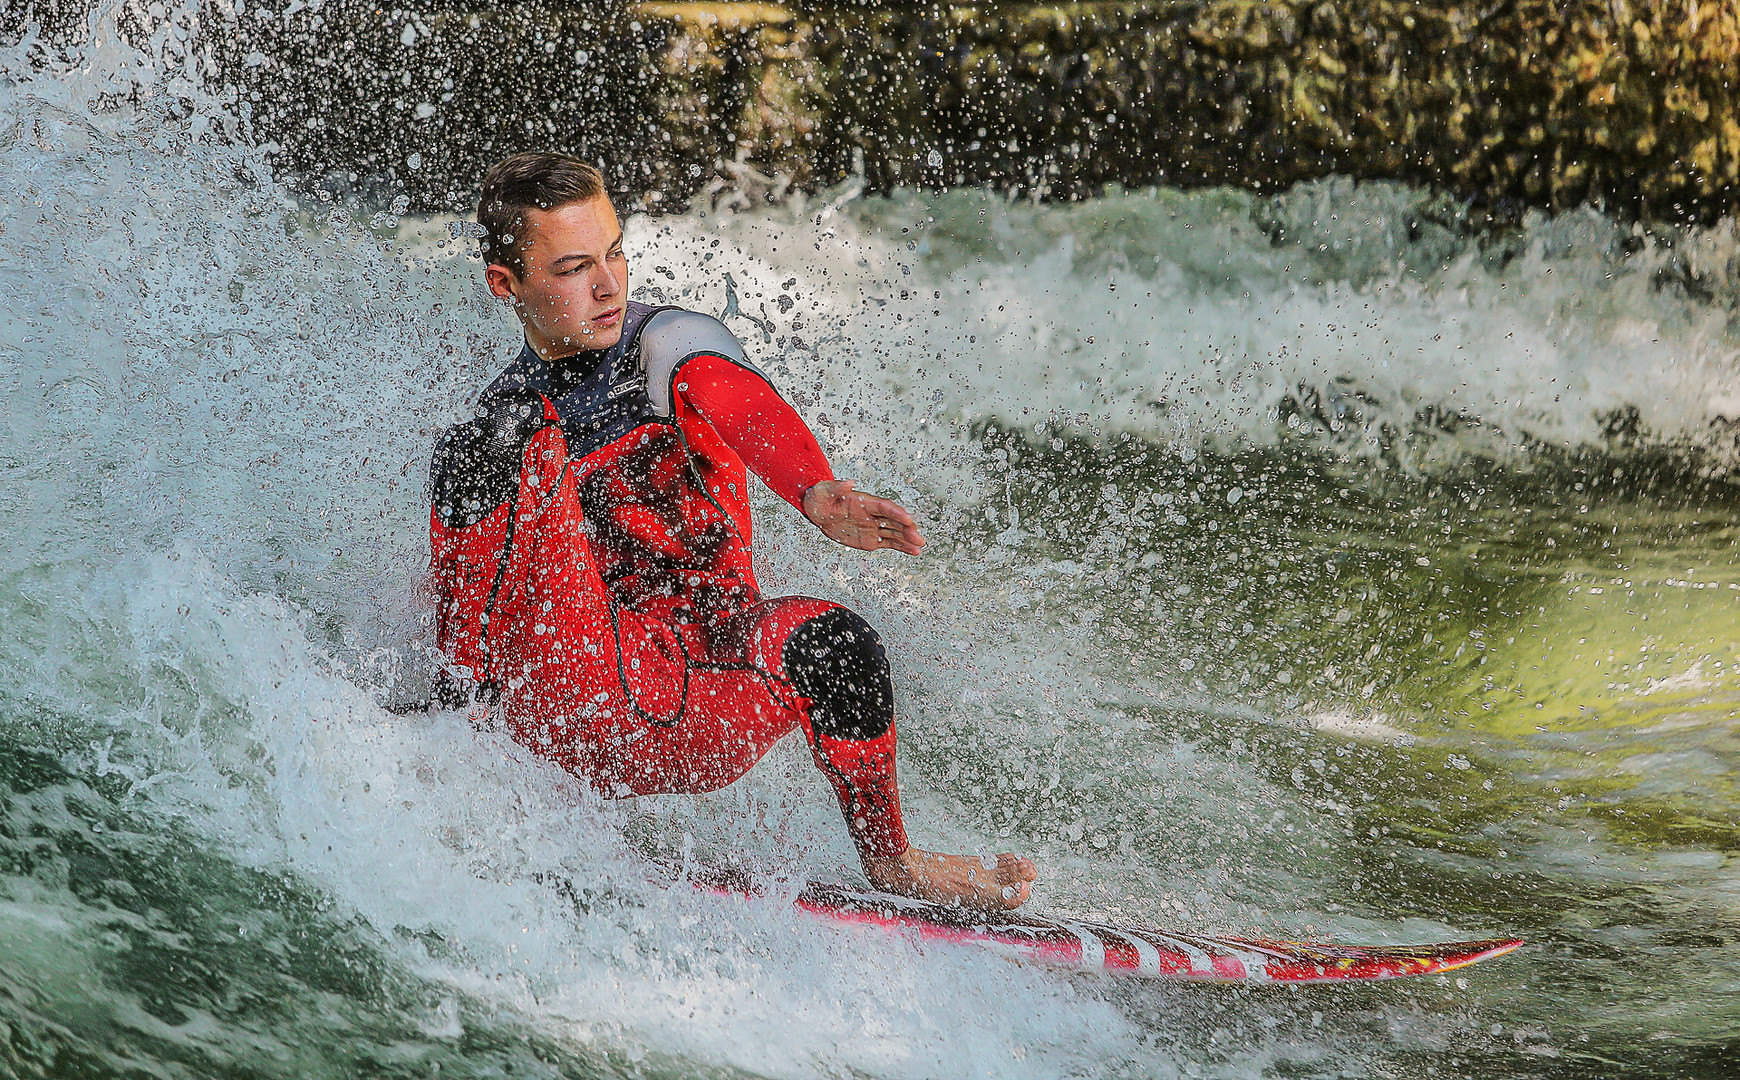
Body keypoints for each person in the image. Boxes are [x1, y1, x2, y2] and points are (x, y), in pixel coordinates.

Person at [428, 152, 1037, 910]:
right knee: (483, 442)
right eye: (575, 267)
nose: (610, 284)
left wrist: (813, 489)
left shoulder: (664, 343)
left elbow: (736, 399)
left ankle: (895, 863)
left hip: (710, 685)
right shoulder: (509, 414)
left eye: (615, 251)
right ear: (506, 284)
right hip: (576, 701)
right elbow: (491, 588)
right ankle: (453, 746)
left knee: (835, 641)